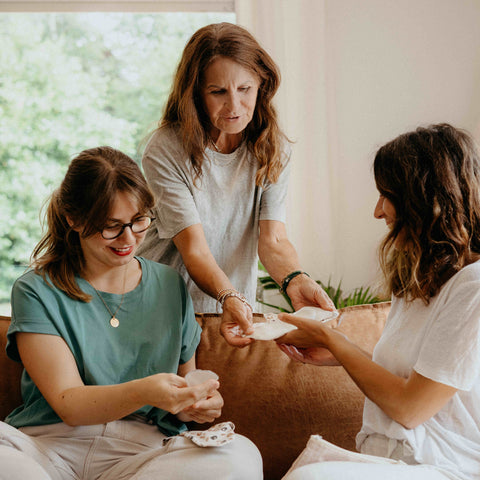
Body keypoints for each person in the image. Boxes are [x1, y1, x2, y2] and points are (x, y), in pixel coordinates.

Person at [0, 147, 262, 480]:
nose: (128, 238)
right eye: (111, 226)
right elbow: (69, 404)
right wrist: (145, 391)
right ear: (74, 219)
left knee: (239, 456)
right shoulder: (36, 290)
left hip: (141, 455)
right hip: (49, 447)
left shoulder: (169, 284)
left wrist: (197, 405)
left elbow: (185, 388)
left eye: (139, 221)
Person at [277, 124, 480, 480]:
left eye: (388, 195)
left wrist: (332, 340)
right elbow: (415, 379)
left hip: (448, 466)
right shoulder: (418, 278)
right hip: (395, 461)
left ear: (426, 200)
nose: (377, 211)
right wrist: (340, 355)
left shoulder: (474, 287)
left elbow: (411, 407)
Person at [137, 22, 334, 347]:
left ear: (262, 84)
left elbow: (273, 240)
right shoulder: (166, 148)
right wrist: (229, 295)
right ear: (196, 93)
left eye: (245, 89)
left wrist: (296, 280)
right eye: (218, 92)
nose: (233, 106)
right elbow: (195, 248)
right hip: (161, 309)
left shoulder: (273, 148)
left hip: (232, 311)